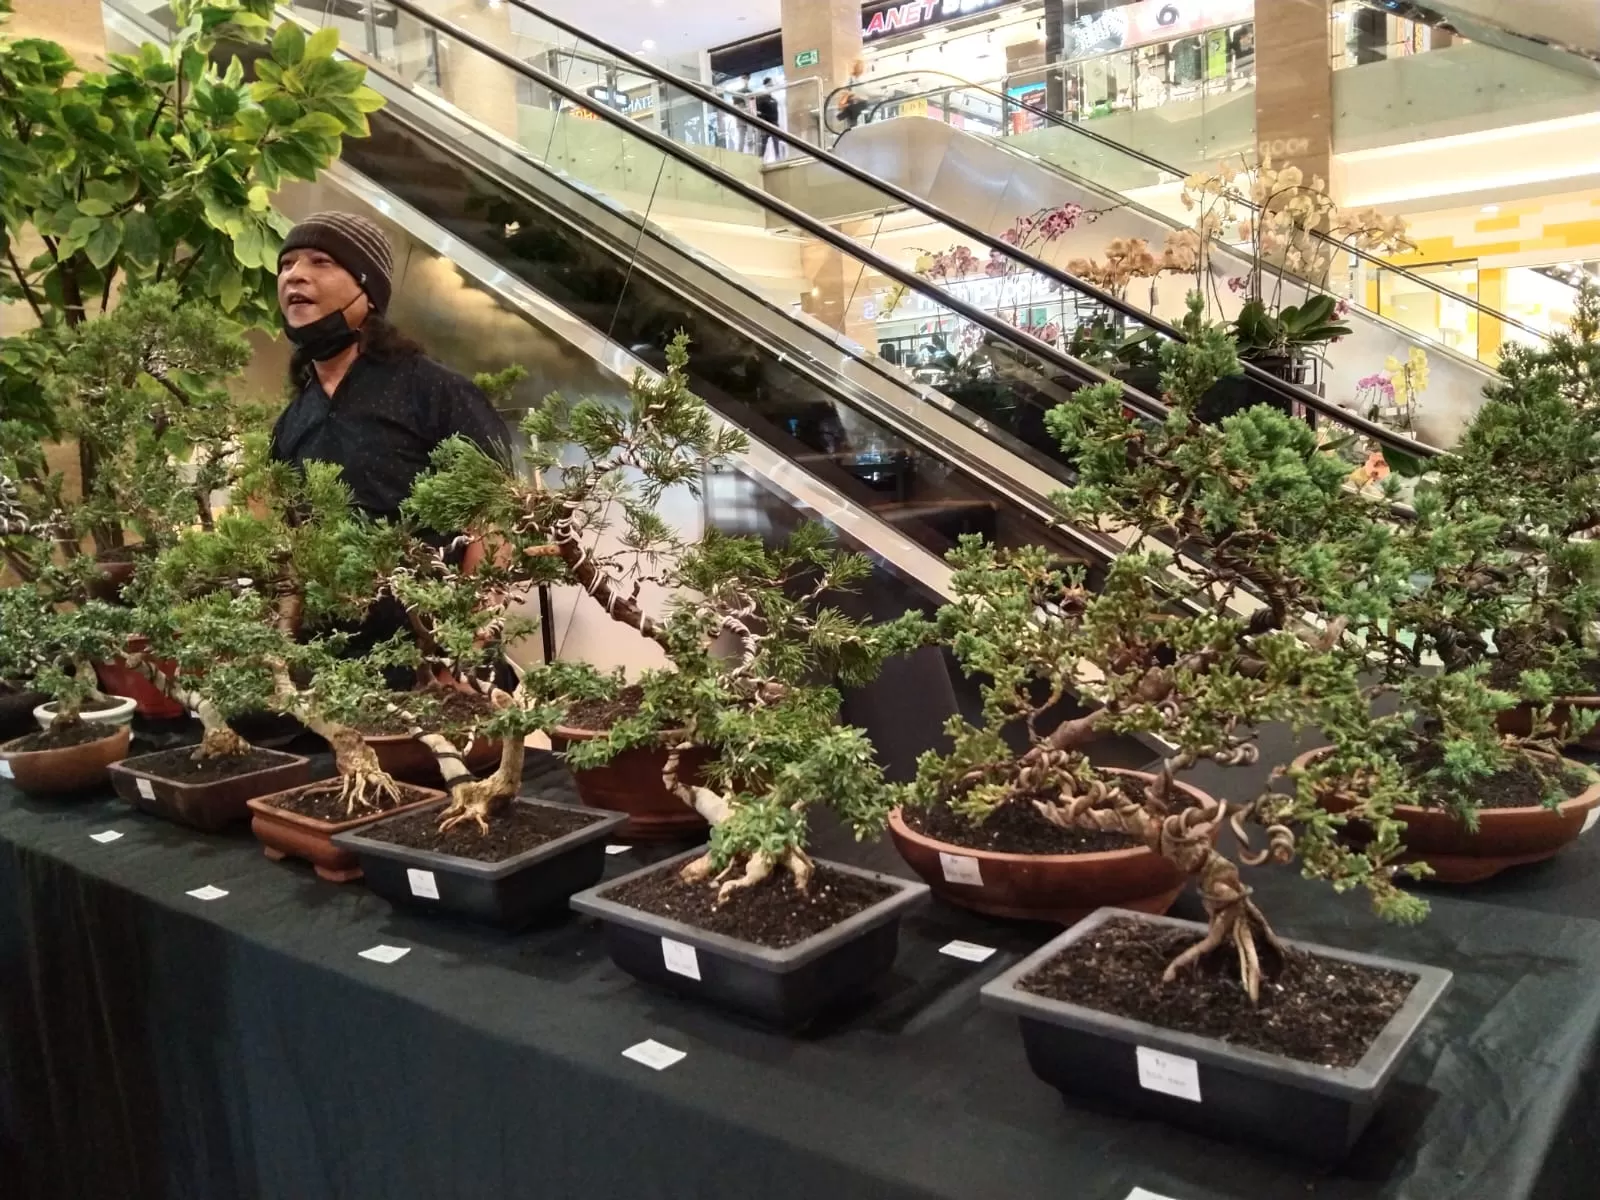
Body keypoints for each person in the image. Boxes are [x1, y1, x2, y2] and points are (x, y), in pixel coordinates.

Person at [269, 211, 512, 680]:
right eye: (286, 265)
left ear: (367, 288)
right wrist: (280, 660)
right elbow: (293, 548)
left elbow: (497, 523)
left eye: (320, 262)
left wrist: (460, 651)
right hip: (333, 671)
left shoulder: (433, 391)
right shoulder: (293, 420)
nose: (294, 275)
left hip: (434, 662)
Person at [754, 76, 781, 159]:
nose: (771, 87)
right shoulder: (760, 98)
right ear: (765, 86)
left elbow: (776, 113)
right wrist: (763, 122)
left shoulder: (773, 99)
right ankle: (760, 158)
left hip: (774, 123)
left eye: (771, 85)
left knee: (776, 141)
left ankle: (777, 157)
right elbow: (758, 112)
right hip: (765, 124)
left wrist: (777, 123)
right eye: (769, 85)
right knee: (764, 143)